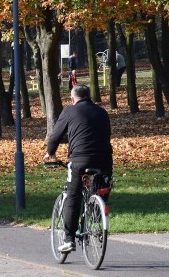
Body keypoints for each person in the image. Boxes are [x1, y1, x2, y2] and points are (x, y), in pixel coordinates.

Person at [43, 84, 113, 253]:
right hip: (104, 159)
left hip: (80, 160)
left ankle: (68, 239)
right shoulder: (102, 112)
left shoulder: (69, 111)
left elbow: (55, 136)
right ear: (89, 97)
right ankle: (97, 216)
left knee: (73, 195)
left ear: (73, 99)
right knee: (101, 189)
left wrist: (50, 153)